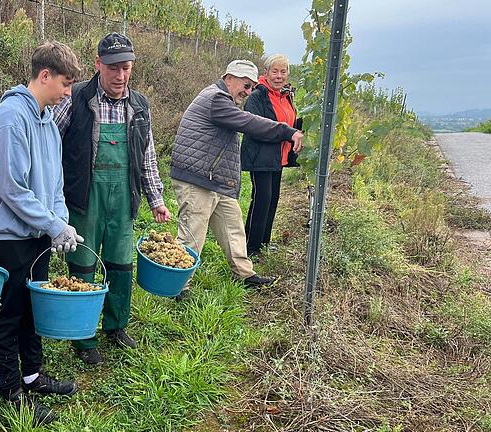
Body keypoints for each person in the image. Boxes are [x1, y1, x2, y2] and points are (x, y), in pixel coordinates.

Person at [0, 41, 82, 426]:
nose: (68, 93)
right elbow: (11, 188)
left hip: (36, 233)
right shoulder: (7, 119)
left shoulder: (48, 121)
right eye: (65, 84)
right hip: (5, 235)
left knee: (34, 304)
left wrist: (60, 223)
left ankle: (33, 375)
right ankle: (11, 389)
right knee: (9, 310)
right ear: (44, 76)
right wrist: (51, 224)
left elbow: (54, 184)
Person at [53, 32, 171, 366]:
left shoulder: (139, 106)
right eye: (113, 68)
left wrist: (156, 199)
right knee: (84, 264)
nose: (120, 76)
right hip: (84, 198)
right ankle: (83, 335)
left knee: (120, 264)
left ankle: (116, 326)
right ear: (98, 65)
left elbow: (146, 158)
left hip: (124, 197)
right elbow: (50, 148)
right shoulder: (74, 99)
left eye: (126, 68)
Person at [170, 59, 304, 299]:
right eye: (245, 84)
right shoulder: (216, 100)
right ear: (228, 78)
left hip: (214, 179)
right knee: (193, 233)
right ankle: (178, 286)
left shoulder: (223, 99)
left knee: (233, 225)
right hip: (197, 179)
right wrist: (287, 130)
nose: (248, 91)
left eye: (252, 86)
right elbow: (249, 122)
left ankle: (244, 273)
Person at [242, 54, 302, 257]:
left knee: (273, 199)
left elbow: (290, 121)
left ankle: (264, 243)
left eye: (283, 71)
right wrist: (286, 132)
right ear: (265, 73)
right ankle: (250, 246)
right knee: (261, 199)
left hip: (279, 157)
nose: (279, 76)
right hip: (261, 157)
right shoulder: (258, 96)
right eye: (274, 71)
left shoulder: (286, 96)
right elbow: (255, 125)